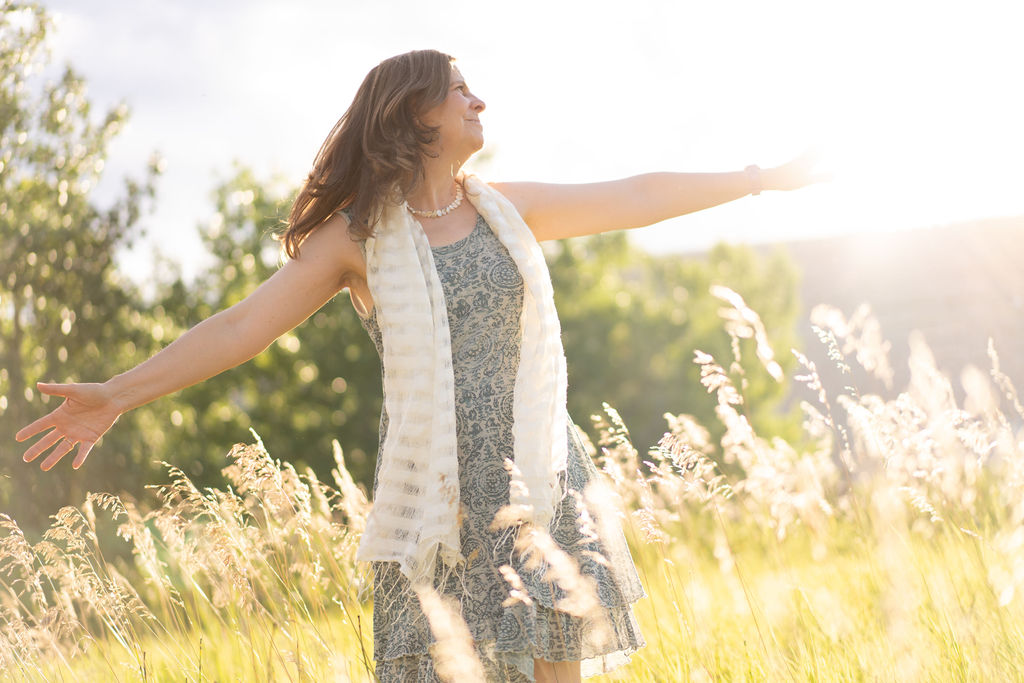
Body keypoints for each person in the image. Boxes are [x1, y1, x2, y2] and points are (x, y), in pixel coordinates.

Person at [16, 49, 824, 682]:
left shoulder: (505, 207)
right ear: (416, 114)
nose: (480, 102)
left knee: (556, 664)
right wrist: (117, 394)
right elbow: (241, 327)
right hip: (436, 504)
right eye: (461, 90)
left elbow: (634, 194)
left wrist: (762, 181)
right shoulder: (357, 239)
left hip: (537, 478)